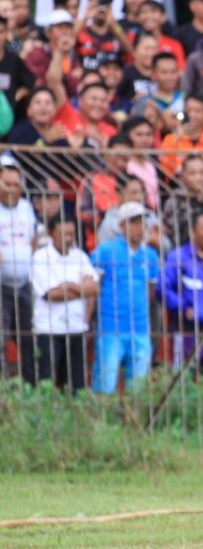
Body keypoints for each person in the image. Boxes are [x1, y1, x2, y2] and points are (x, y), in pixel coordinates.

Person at [92, 202, 159, 394]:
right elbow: (94, 282)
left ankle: (133, 421)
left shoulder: (150, 255)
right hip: (111, 327)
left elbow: (151, 290)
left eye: (142, 222)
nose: (139, 227)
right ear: (121, 225)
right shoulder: (106, 251)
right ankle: (101, 422)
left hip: (140, 328)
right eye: (133, 222)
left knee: (138, 388)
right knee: (106, 382)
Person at [30, 215, 98, 392]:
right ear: (52, 234)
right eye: (63, 234)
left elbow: (94, 288)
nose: (68, 238)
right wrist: (81, 289)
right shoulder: (40, 258)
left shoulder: (80, 256)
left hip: (76, 328)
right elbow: (51, 294)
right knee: (48, 384)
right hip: (49, 329)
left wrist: (68, 286)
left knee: (77, 386)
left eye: (71, 234)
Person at [0, 160, 37, 384]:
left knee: (28, 336)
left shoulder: (26, 207)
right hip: (1, 284)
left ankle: (31, 385)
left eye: (16, 184)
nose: (11, 189)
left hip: (25, 283)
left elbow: (33, 237)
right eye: (6, 184)